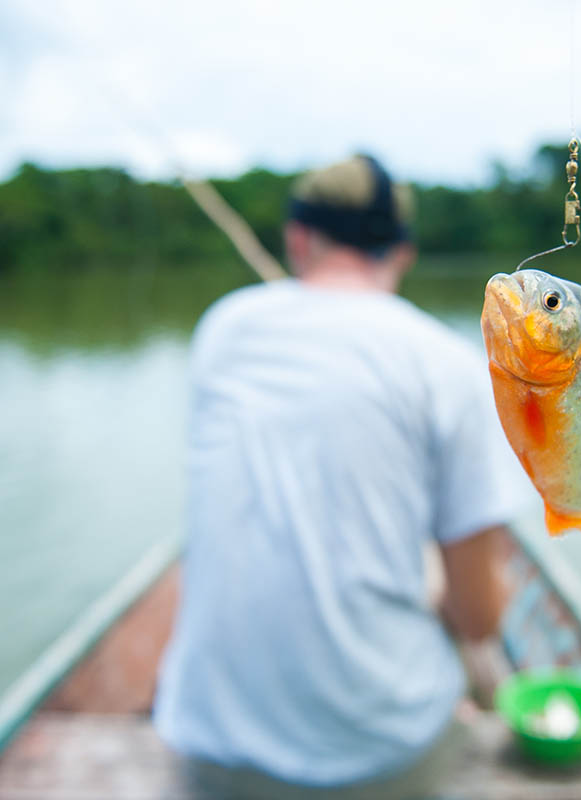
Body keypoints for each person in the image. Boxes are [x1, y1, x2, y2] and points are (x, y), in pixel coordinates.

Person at [153, 155, 525, 798]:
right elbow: (479, 621)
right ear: (402, 253)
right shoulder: (447, 363)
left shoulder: (223, 328)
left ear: (298, 238)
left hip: (210, 741)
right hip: (378, 755)